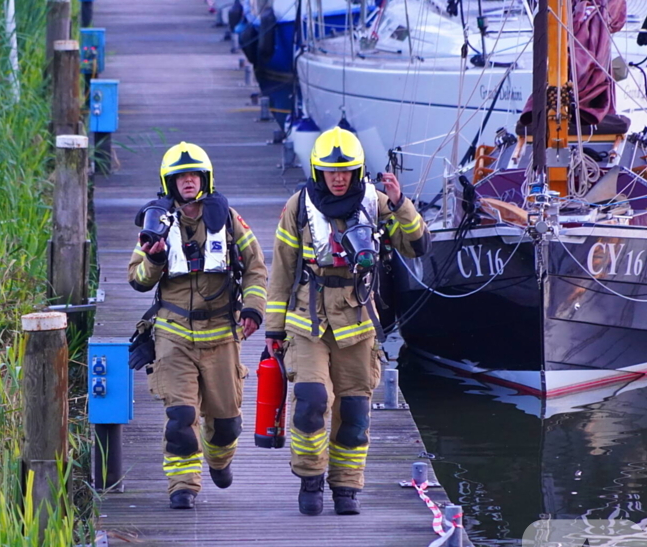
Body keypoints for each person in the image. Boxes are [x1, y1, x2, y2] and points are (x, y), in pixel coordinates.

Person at [264, 127, 432, 516]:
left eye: (345, 171)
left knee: (354, 410)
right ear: (318, 171)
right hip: (308, 321)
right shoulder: (297, 206)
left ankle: (346, 487)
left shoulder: (376, 204)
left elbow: (419, 244)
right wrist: (273, 330)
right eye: (330, 171)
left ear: (357, 172)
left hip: (357, 321)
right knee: (311, 400)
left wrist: (401, 203)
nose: (338, 179)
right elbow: (281, 273)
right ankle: (310, 478)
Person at [128, 142, 268, 510]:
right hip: (173, 334)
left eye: (194, 176)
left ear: (205, 179)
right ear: (169, 182)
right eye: (180, 177)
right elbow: (137, 279)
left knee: (225, 425)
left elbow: (256, 268)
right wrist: (155, 261)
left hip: (222, 334)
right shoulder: (155, 223)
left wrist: (253, 308)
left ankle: (219, 460)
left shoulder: (230, 220)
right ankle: (183, 486)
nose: (188, 182)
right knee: (181, 416)